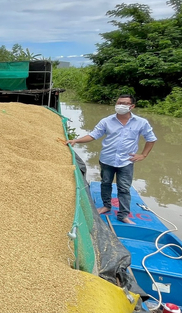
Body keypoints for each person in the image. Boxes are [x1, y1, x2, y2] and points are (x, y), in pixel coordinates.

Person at [67, 95, 157, 225]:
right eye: (119, 102)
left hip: (126, 161)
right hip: (107, 159)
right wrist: (76, 140)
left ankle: (123, 215)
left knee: (124, 188)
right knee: (105, 183)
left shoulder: (141, 122)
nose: (121, 105)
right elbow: (93, 135)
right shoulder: (107, 121)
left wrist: (143, 155)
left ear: (132, 106)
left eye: (125, 103)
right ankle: (106, 206)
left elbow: (151, 139)